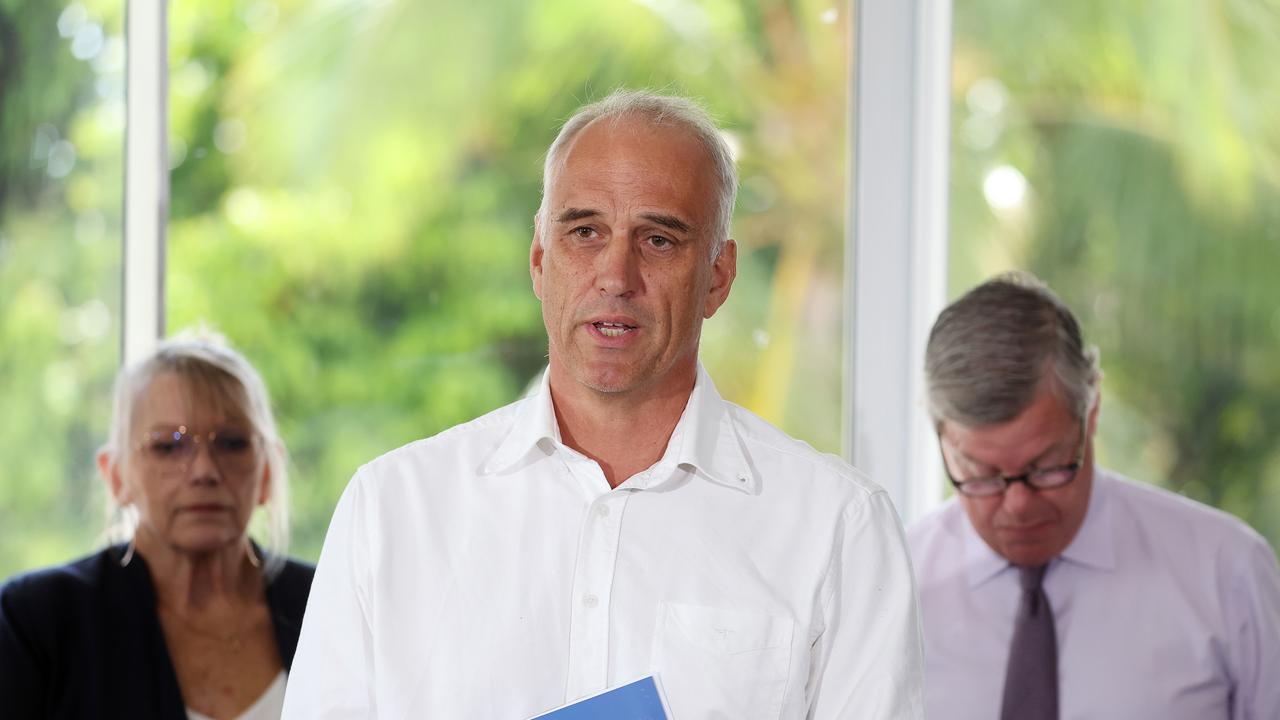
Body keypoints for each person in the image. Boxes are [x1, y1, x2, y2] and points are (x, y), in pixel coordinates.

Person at [283, 89, 924, 718]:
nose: (616, 275)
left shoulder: (839, 529)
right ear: (539, 260)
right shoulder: (391, 511)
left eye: (659, 240)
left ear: (719, 277)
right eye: (585, 232)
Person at [908, 272, 1280, 720]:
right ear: (940, 439)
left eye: (1046, 467)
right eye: (981, 474)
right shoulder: (894, 591)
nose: (1019, 504)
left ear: (1093, 409)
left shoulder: (1227, 573)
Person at [0, 333, 314, 719]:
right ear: (116, 476)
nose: (204, 471)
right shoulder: (37, 620)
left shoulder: (324, 603)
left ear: (267, 470)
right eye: (168, 446)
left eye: (232, 443)